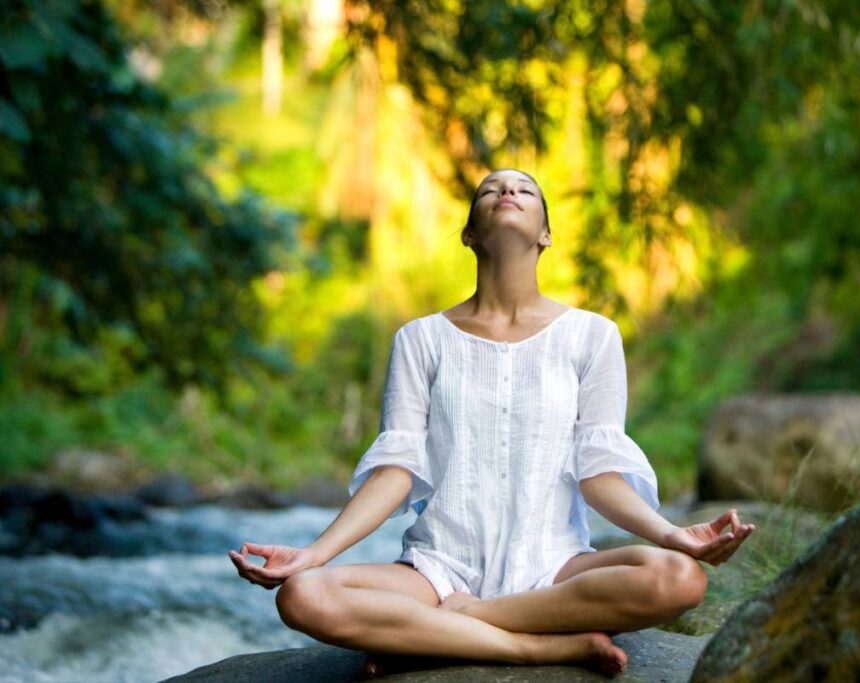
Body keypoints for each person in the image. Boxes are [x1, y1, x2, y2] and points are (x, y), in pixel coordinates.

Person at [229, 168, 755, 676]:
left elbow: (599, 475)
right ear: (469, 234)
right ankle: (533, 649)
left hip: (554, 568)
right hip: (437, 570)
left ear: (546, 234)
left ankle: (448, 628)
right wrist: (313, 554)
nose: (508, 190)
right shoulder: (421, 339)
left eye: (525, 189)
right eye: (491, 190)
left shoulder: (592, 337)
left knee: (679, 579)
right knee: (303, 594)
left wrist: (672, 535)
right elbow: (397, 471)